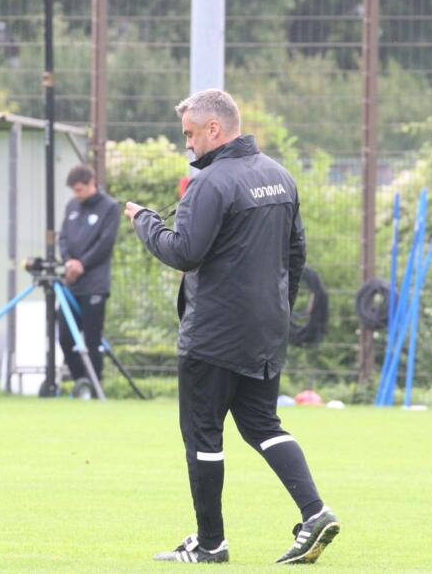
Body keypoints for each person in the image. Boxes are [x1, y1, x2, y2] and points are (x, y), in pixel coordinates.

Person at [126, 88, 339, 565]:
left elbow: (184, 252)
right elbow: (296, 253)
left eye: (189, 135)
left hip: (214, 334)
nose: (188, 146)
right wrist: (279, 310)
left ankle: (210, 544)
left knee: (203, 434)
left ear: (214, 129)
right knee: (262, 423)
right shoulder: (279, 177)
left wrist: (144, 221)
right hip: (266, 328)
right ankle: (316, 512)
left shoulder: (213, 182)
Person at [57, 164, 121, 383]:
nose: (77, 195)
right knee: (65, 337)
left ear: (92, 183)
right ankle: (80, 382)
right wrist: (68, 262)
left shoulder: (110, 207)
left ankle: (95, 385)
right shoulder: (71, 206)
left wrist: (82, 264)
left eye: (80, 189)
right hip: (71, 283)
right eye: (74, 191)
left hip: (94, 284)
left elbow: (105, 243)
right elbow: (63, 238)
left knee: (92, 339)